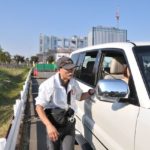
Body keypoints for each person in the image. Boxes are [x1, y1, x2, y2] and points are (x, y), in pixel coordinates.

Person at [35, 56, 95, 150]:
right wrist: (49, 126)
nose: (71, 71)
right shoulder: (48, 85)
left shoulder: (73, 82)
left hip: (69, 125)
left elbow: (80, 97)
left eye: (72, 68)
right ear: (59, 69)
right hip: (54, 124)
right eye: (68, 69)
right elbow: (39, 107)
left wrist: (90, 92)